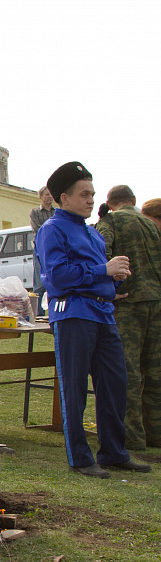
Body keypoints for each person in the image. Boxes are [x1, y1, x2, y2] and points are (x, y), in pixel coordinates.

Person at [36, 162, 150, 477]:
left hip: (102, 312)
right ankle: (81, 459)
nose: (91, 200)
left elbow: (97, 275)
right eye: (84, 194)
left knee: (115, 383)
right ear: (63, 197)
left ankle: (113, 452)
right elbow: (57, 277)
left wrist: (114, 284)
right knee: (74, 387)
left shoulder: (93, 234)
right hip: (73, 313)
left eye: (93, 194)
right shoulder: (52, 230)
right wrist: (103, 271)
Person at [95, 185, 161, 450]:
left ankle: (132, 438)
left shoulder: (109, 221)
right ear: (133, 201)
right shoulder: (151, 224)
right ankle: (155, 432)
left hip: (129, 303)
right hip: (156, 301)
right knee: (155, 372)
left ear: (109, 203)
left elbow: (101, 254)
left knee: (128, 372)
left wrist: (111, 289)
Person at [29, 186, 55, 315]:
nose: (49, 197)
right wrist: (52, 233)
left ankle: (53, 312)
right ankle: (38, 314)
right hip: (40, 249)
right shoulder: (35, 212)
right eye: (46, 194)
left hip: (54, 250)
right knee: (39, 284)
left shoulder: (56, 213)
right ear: (40, 196)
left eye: (51, 194)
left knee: (53, 281)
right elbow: (38, 229)